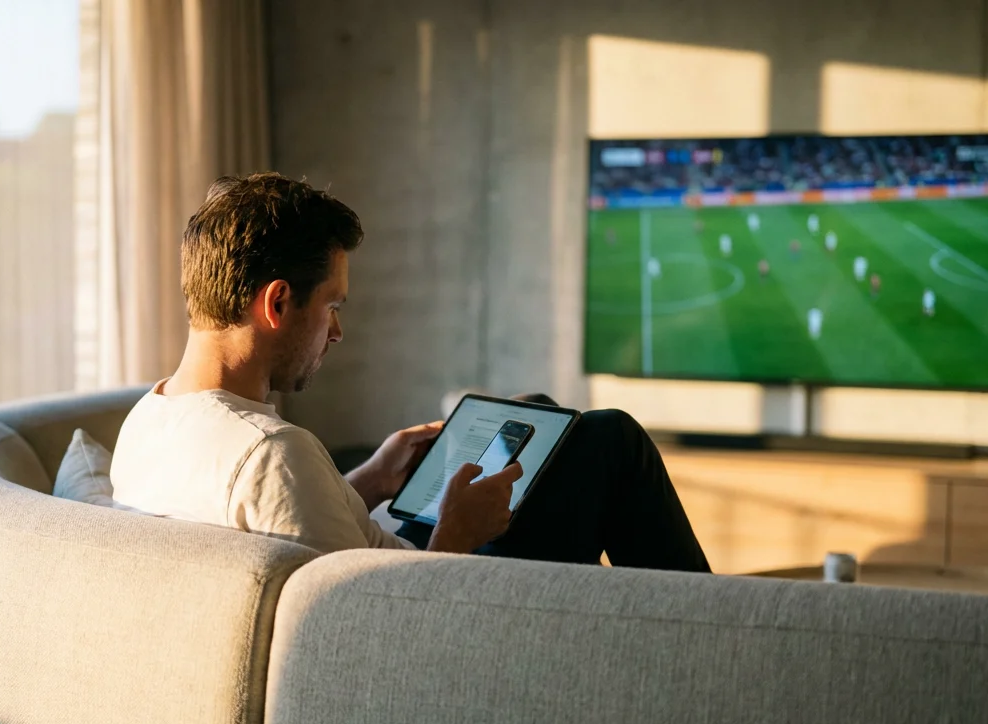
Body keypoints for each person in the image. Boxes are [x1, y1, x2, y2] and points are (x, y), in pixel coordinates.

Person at [110, 173, 710, 572]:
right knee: (609, 439)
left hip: (396, 566)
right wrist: (455, 533)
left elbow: (286, 527)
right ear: (276, 303)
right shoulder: (274, 454)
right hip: (439, 607)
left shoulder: (148, 419)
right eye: (333, 307)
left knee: (537, 413)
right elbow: (370, 638)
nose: (338, 333)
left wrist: (370, 479)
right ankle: (716, 653)